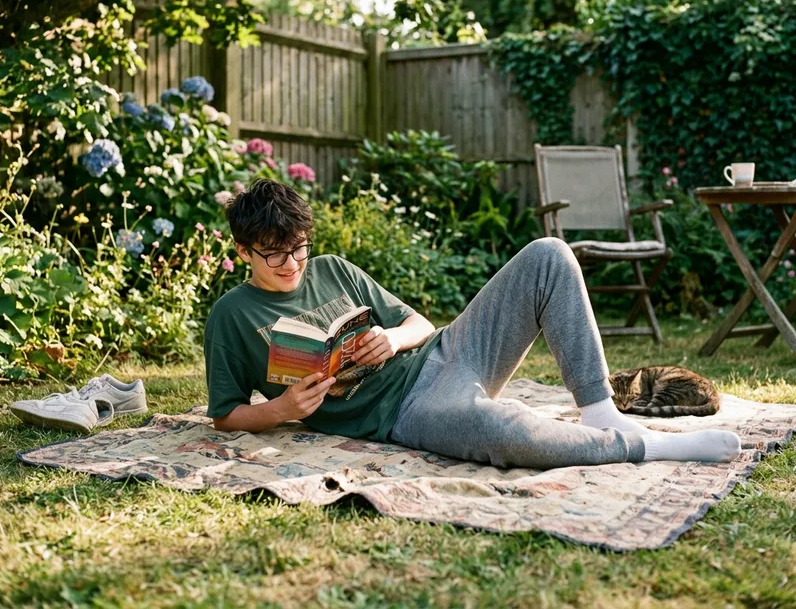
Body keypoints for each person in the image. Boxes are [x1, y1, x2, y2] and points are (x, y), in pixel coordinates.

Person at [204, 179, 741, 470]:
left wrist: (391, 338)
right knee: (504, 434)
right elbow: (225, 416)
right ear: (243, 250)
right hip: (408, 411)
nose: (294, 264)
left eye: (300, 248)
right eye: (276, 256)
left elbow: (418, 322)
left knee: (548, 253)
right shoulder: (230, 317)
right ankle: (645, 447)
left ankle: (602, 411)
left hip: (445, 354)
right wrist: (280, 410)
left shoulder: (334, 270)